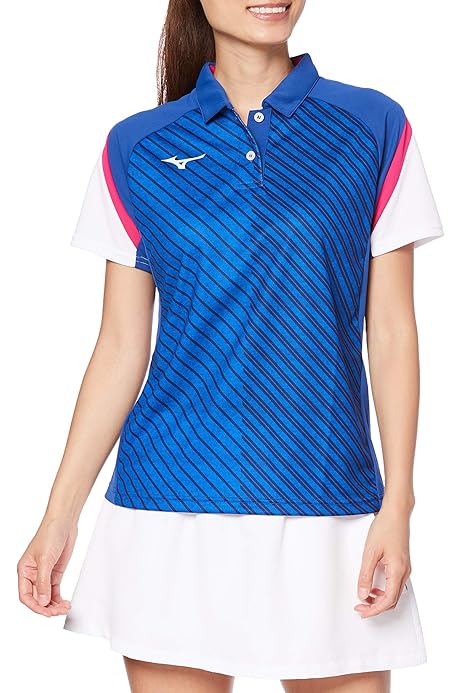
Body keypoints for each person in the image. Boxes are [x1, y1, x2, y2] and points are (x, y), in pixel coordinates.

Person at [17, 1, 444, 691]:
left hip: (328, 498)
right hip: (169, 507)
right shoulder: (136, 147)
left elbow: (392, 331)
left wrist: (399, 505)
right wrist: (59, 515)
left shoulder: (373, 126)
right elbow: (120, 347)